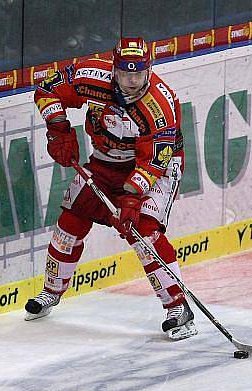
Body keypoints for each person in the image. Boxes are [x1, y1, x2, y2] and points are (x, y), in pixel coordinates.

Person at [25, 37, 197, 340]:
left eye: (139, 74)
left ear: (149, 69)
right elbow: (47, 89)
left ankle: (178, 307)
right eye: (126, 74)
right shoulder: (93, 75)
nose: (132, 82)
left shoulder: (160, 104)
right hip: (105, 163)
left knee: (144, 232)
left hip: (156, 169)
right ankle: (51, 292)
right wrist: (58, 129)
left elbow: (154, 162)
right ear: (114, 70)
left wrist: (131, 197)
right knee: (69, 223)